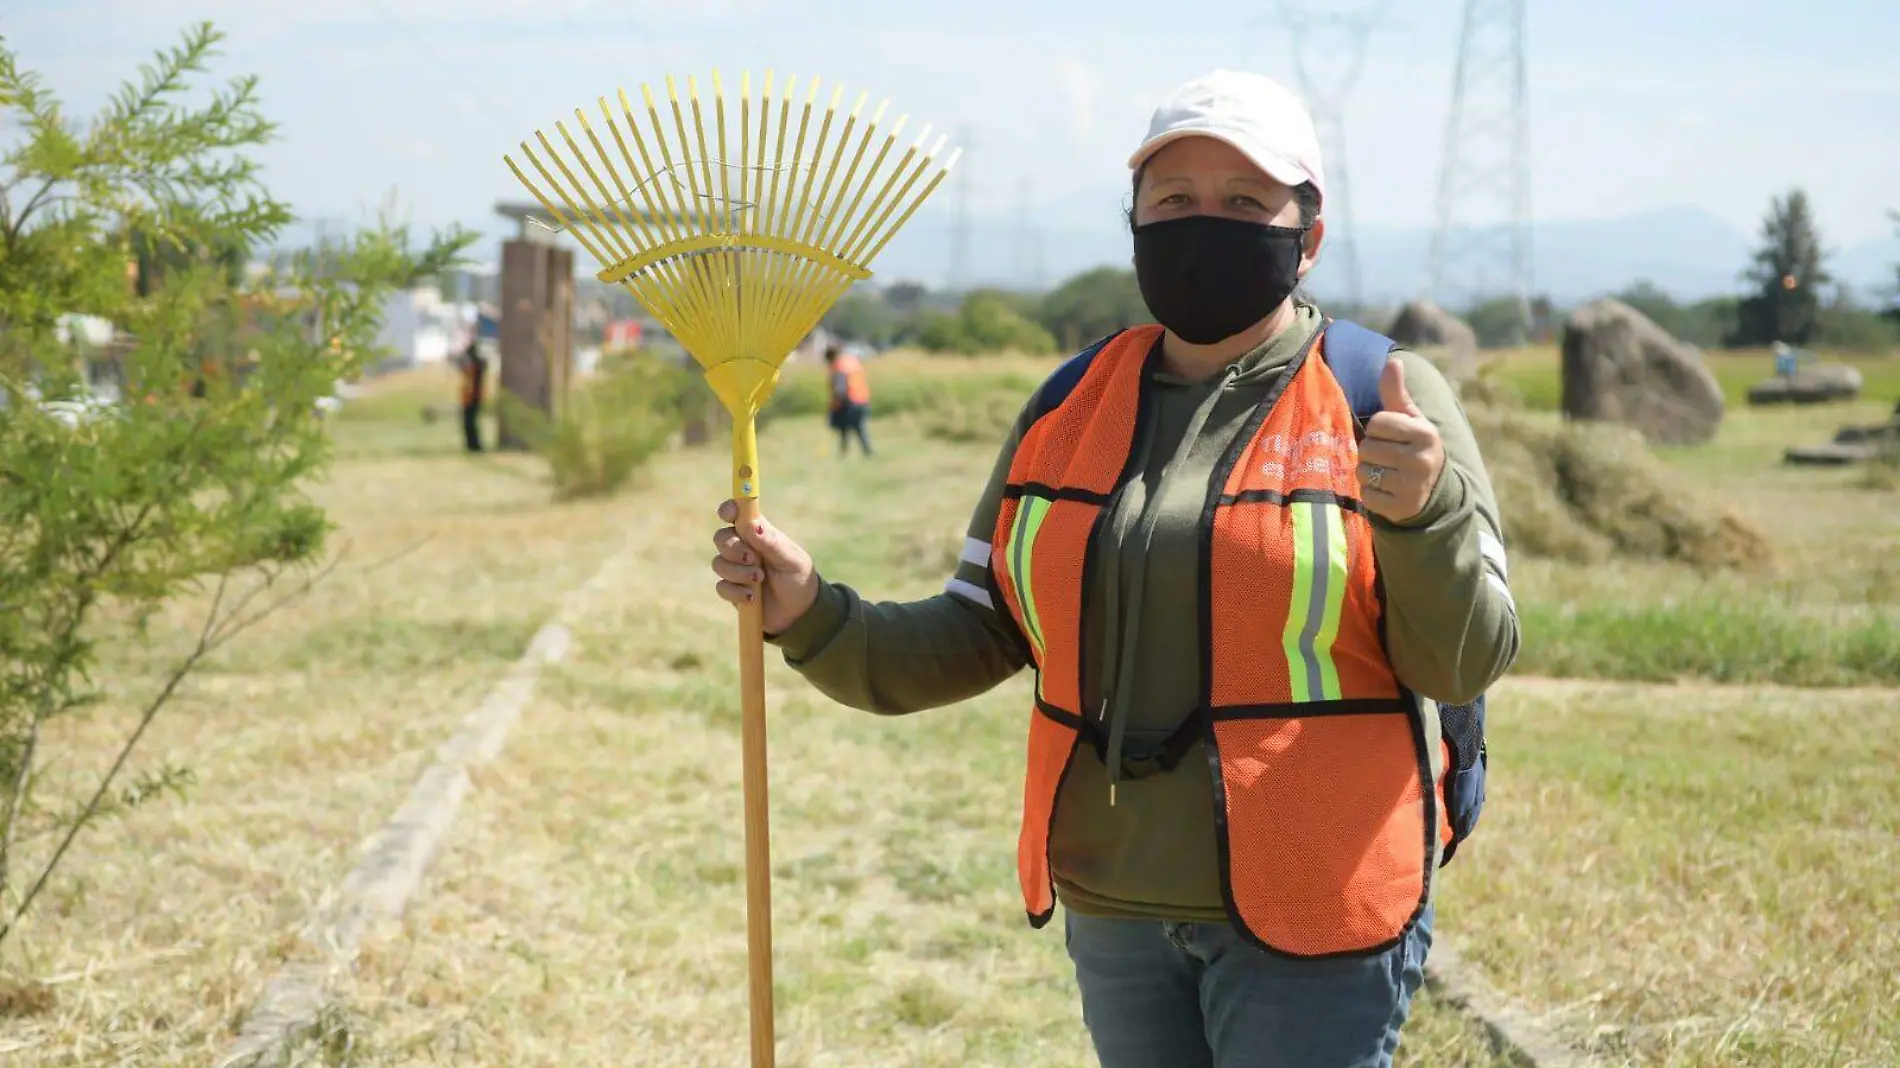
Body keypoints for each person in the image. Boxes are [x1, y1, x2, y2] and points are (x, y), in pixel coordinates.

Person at [709, 69, 1520, 1068]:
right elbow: (979, 627)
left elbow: (1464, 661)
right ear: (1133, 222)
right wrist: (813, 615)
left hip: (1319, 907)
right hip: (1116, 908)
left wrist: (1423, 514)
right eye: (1174, 201)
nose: (1203, 225)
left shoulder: (1381, 396)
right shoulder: (1070, 404)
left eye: (1242, 203)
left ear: (1306, 236)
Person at [823, 343, 873, 457]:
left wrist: (835, 404)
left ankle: (854, 453)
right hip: (863, 399)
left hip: (850, 402)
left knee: (847, 428)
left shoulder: (839, 367)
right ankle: (853, 453)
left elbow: (840, 389)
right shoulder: (851, 361)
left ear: (830, 358)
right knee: (857, 428)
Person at [459, 338, 486, 453]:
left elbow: (469, 380)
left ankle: (473, 445)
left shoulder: (474, 366)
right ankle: (473, 444)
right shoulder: (480, 364)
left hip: (471, 397)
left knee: (469, 422)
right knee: (472, 422)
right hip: (476, 396)